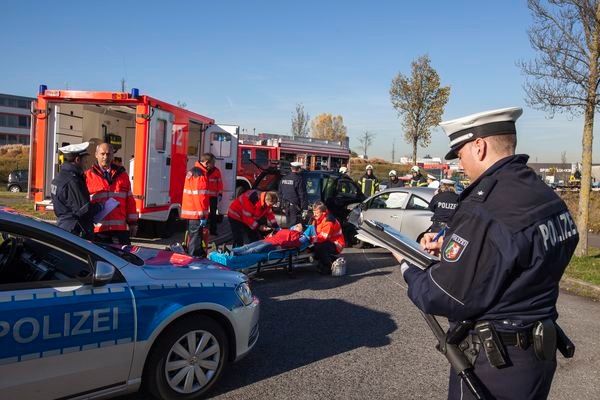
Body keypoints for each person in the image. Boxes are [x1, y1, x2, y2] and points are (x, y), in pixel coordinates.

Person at [396, 107, 578, 399]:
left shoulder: (486, 206)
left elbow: (444, 295)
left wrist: (406, 264)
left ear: (479, 147)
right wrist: (461, 247)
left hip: (495, 364)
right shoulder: (542, 194)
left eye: (460, 154)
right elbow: (526, 248)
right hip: (537, 357)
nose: (460, 165)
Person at [86, 143, 137, 245]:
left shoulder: (122, 175)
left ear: (113, 156)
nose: (105, 157)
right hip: (98, 231)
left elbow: (130, 201)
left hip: (119, 230)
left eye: (109, 154)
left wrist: (133, 223)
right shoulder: (88, 176)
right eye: (102, 154)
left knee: (123, 259)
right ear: (96, 155)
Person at [51, 142, 100, 240]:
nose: (86, 163)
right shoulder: (73, 181)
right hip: (76, 231)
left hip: (64, 227)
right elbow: (83, 210)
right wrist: (100, 206)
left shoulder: (59, 177)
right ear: (77, 160)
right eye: (85, 160)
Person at [181, 153, 213, 257]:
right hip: (196, 213)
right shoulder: (200, 175)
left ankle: (196, 256)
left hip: (191, 211)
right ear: (207, 163)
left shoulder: (194, 171)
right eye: (212, 163)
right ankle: (194, 259)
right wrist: (202, 216)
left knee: (194, 237)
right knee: (195, 238)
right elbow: (200, 197)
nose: (213, 166)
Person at [310, 201, 345, 275]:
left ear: (323, 213)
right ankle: (328, 260)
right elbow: (311, 229)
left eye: (316, 213)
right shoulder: (317, 218)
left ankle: (329, 265)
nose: (314, 215)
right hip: (327, 241)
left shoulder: (328, 221)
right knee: (315, 248)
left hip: (336, 244)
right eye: (313, 212)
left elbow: (323, 237)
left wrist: (310, 240)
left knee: (319, 246)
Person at [230, 223, 310, 255]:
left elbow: (293, 244)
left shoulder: (297, 237)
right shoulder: (287, 230)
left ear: (302, 230)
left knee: (254, 250)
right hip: (267, 240)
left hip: (273, 244)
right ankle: (231, 251)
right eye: (297, 224)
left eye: (299, 226)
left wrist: (282, 245)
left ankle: (235, 255)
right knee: (248, 246)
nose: (297, 225)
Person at [279, 161, 308, 227]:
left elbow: (280, 193)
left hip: (285, 206)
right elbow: (302, 195)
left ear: (291, 168)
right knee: (294, 226)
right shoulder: (299, 179)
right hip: (294, 207)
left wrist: (281, 205)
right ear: (299, 169)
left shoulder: (284, 178)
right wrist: (305, 208)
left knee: (288, 224)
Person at [204, 153, 223, 235]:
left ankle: (213, 230)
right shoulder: (203, 170)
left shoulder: (216, 171)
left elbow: (220, 183)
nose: (214, 164)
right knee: (204, 213)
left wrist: (220, 193)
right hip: (204, 196)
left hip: (213, 196)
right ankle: (203, 230)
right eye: (213, 162)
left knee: (213, 214)